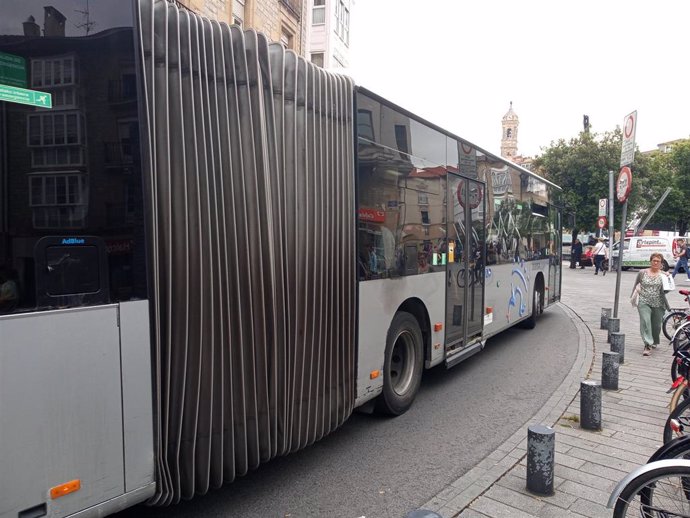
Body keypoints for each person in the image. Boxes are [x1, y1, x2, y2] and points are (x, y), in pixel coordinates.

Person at [631, 253, 671, 356]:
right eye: (654, 260)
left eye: (658, 261)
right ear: (650, 261)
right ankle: (647, 344)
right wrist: (633, 298)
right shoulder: (642, 272)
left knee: (656, 325)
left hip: (658, 302)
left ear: (661, 263)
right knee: (645, 322)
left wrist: (668, 279)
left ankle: (654, 341)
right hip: (644, 301)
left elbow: (667, 290)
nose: (656, 262)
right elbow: (636, 284)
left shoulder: (663, 275)